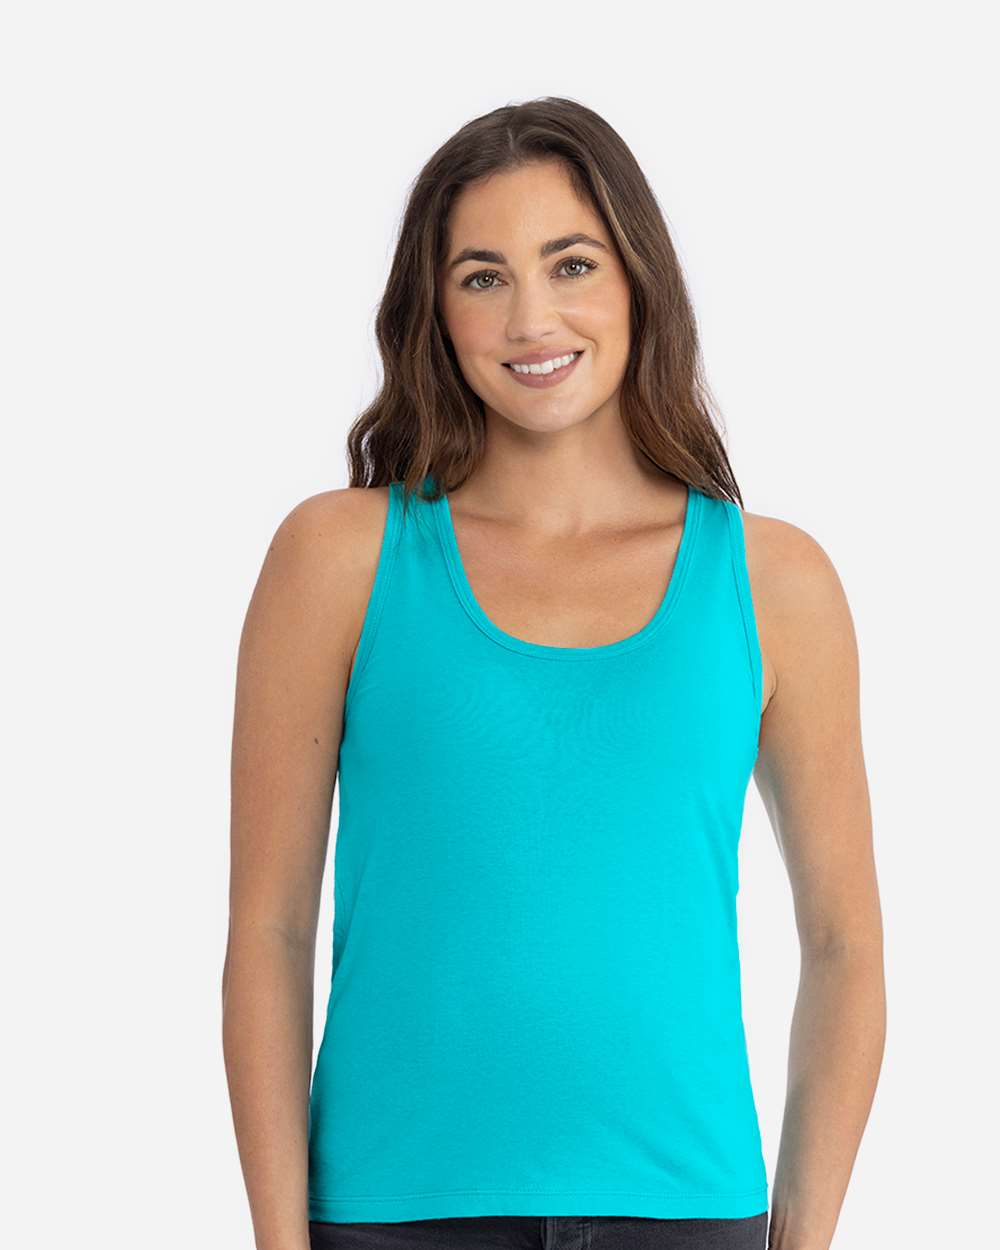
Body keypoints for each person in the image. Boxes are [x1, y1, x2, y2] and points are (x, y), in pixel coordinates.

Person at [222, 98, 886, 1250]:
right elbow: (269, 929)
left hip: (687, 1210)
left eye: (570, 263)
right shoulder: (337, 559)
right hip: (392, 1210)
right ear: (434, 310)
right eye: (482, 277)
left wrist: (804, 1237)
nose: (530, 317)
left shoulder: (774, 582)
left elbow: (844, 944)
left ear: (636, 278)